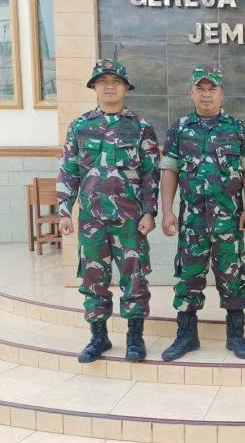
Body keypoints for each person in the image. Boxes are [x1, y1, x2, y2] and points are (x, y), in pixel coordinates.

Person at [57, 59, 160, 363]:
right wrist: (64, 210)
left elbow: (150, 174)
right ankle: (98, 337)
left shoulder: (141, 127)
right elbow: (69, 170)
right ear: (94, 87)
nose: (110, 85)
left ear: (126, 86)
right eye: (103, 81)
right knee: (93, 279)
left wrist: (149, 212)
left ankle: (135, 338)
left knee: (135, 278)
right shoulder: (80, 126)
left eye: (116, 80)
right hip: (91, 219)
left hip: (130, 220)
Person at [159, 65, 245, 361]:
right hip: (192, 222)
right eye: (200, 89)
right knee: (188, 277)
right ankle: (187, 336)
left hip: (229, 221)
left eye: (211, 89)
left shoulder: (238, 129)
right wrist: (167, 212)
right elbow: (169, 172)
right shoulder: (179, 129)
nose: (206, 94)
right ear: (191, 92)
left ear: (221, 93)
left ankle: (236, 336)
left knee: (233, 276)